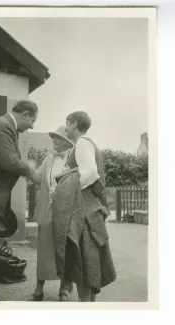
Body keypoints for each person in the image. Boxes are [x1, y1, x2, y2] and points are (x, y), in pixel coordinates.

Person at [51, 111, 116, 302]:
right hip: (89, 207)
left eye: (66, 123)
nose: (65, 126)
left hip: (84, 208)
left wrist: (65, 190)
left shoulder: (82, 143)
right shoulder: (87, 143)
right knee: (89, 260)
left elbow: (90, 172)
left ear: (73, 124)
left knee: (84, 261)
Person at [0, 100, 38, 301]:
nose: (32, 126)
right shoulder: (2, 126)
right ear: (25, 114)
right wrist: (32, 172)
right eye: (33, 120)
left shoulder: (4, 127)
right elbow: (9, 162)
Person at [26, 126, 73, 302]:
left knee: (65, 249)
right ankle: (39, 290)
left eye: (57, 138)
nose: (54, 141)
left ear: (67, 142)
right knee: (44, 249)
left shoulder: (74, 160)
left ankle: (63, 290)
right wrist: (26, 168)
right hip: (48, 209)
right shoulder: (48, 160)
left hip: (67, 210)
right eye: (53, 138)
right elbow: (37, 178)